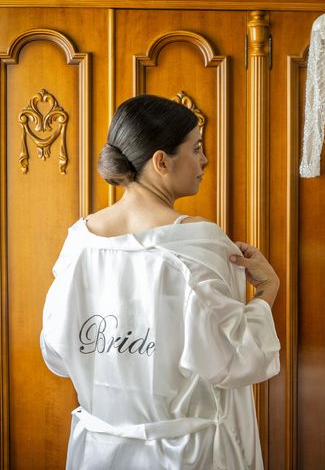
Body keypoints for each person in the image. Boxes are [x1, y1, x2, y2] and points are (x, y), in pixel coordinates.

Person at [40, 94, 281, 470]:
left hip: (99, 452)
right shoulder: (197, 242)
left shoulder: (79, 243)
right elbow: (236, 361)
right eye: (196, 148)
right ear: (161, 161)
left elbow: (56, 353)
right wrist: (266, 293)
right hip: (183, 456)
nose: (204, 161)